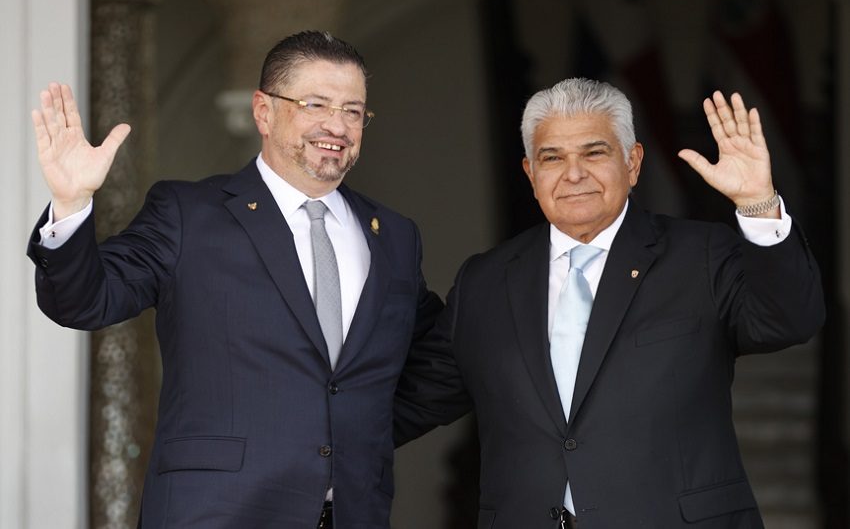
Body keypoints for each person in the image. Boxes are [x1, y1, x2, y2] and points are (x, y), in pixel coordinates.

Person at [27, 31, 442, 529]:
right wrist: (71, 205)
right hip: (218, 514)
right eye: (316, 103)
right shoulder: (187, 213)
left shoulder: (394, 235)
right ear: (263, 111)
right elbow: (86, 300)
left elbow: (436, 363)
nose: (338, 124)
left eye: (354, 111)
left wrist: (352, 435)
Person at [394, 78, 824, 528]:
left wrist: (757, 203)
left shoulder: (700, 256)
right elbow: (412, 402)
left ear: (633, 162)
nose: (573, 173)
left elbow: (789, 321)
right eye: (552, 157)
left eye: (594, 153)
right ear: (530, 173)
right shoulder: (485, 281)